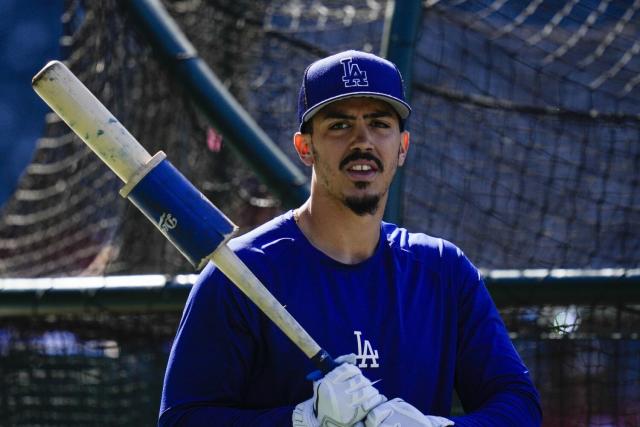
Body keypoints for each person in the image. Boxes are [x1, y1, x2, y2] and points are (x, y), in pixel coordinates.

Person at [158, 50, 542, 427]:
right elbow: (182, 418)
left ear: (402, 147)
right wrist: (300, 421)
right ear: (305, 147)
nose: (363, 142)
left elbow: (518, 404)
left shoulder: (443, 270)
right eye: (339, 126)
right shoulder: (243, 274)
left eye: (379, 124)